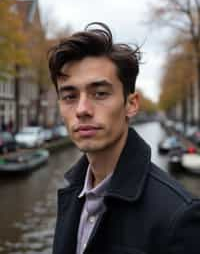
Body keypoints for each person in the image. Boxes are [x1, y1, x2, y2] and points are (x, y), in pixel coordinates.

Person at [48, 22, 200, 254]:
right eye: (69, 96)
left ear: (131, 104)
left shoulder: (178, 216)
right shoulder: (71, 195)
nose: (82, 109)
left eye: (99, 93)